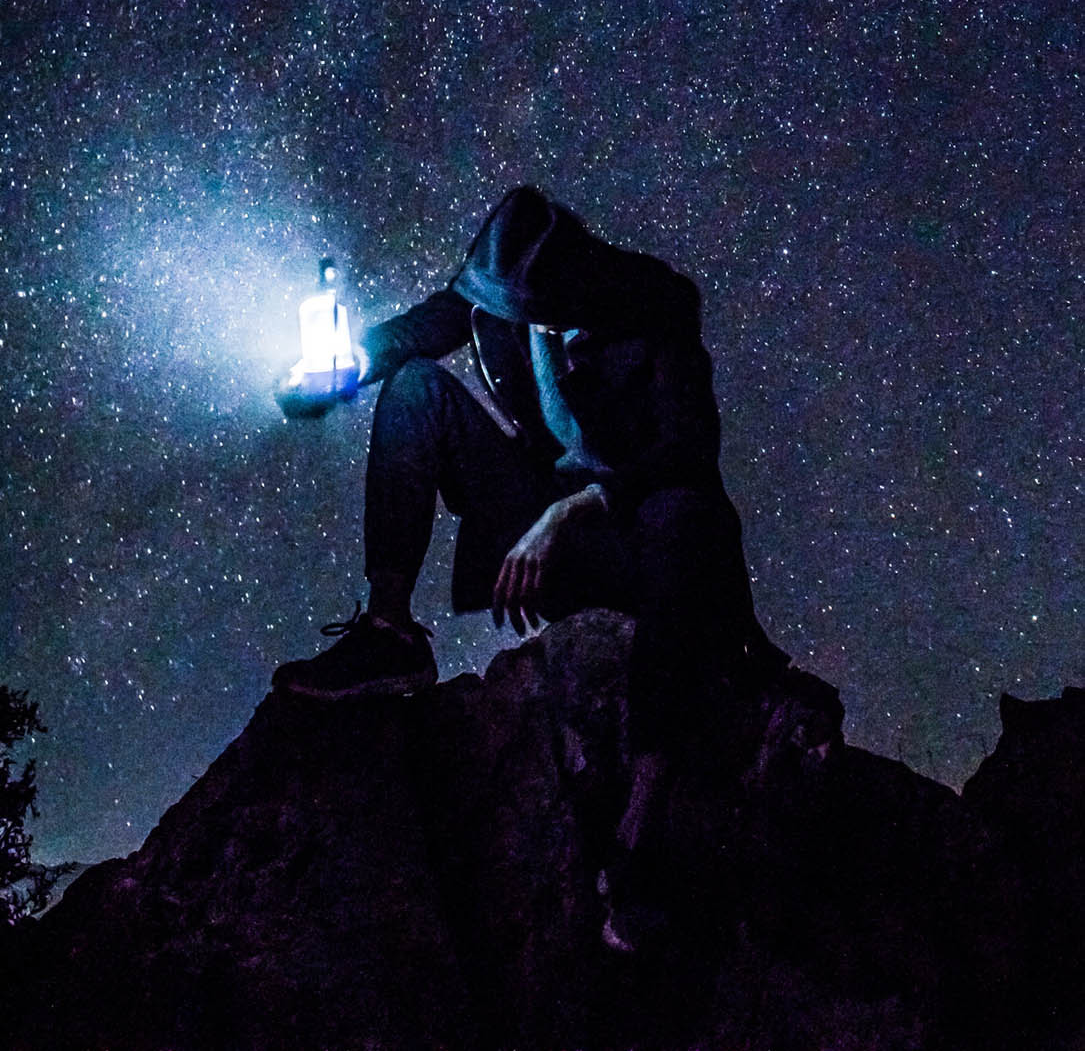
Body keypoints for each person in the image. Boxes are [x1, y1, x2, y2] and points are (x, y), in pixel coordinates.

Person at [272, 185, 784, 947]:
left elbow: (685, 451)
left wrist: (568, 511)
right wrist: (332, 374)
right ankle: (390, 634)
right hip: (542, 529)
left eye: (530, 308)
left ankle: (642, 827)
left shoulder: (656, 301)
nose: (510, 321)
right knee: (416, 389)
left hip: (637, 538)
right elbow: (412, 337)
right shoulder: (490, 295)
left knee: (685, 514)